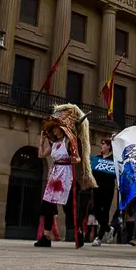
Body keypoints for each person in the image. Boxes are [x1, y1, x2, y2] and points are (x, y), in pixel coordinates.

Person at [34, 104, 97, 248]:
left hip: (66, 174)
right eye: (53, 127)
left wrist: (76, 159)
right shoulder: (54, 144)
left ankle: (78, 231)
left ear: (62, 129)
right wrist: (41, 141)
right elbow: (40, 155)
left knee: (68, 208)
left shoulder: (70, 141)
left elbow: (78, 157)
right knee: (48, 205)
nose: (53, 129)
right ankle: (46, 237)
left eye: (56, 127)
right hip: (54, 173)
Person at [91, 137, 115, 247]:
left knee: (105, 212)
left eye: (104, 143)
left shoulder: (113, 159)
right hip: (97, 187)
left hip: (108, 188)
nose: (101, 145)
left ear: (109, 146)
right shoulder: (97, 158)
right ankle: (109, 228)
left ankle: (99, 237)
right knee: (96, 211)